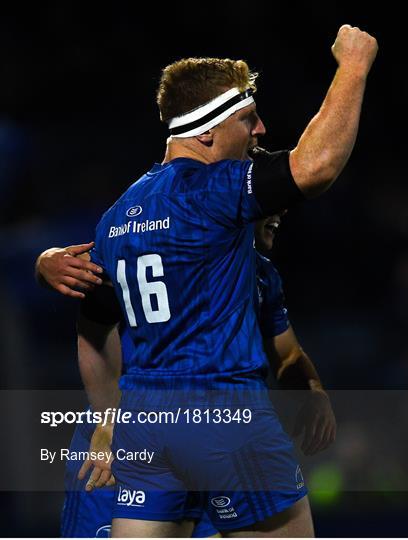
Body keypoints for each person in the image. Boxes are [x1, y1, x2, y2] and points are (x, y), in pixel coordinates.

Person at [57, 25, 376, 537]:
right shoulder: (211, 191)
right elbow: (315, 167)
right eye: (247, 119)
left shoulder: (116, 218)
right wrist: (354, 67)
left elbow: (92, 328)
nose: (260, 129)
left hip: (145, 418)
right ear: (206, 132)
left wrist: (108, 416)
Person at [36, 214, 336, 538]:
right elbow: (84, 269)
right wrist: (47, 261)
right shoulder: (169, 239)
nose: (280, 212)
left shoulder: (261, 275)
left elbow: (288, 354)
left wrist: (314, 393)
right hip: (118, 439)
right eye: (269, 200)